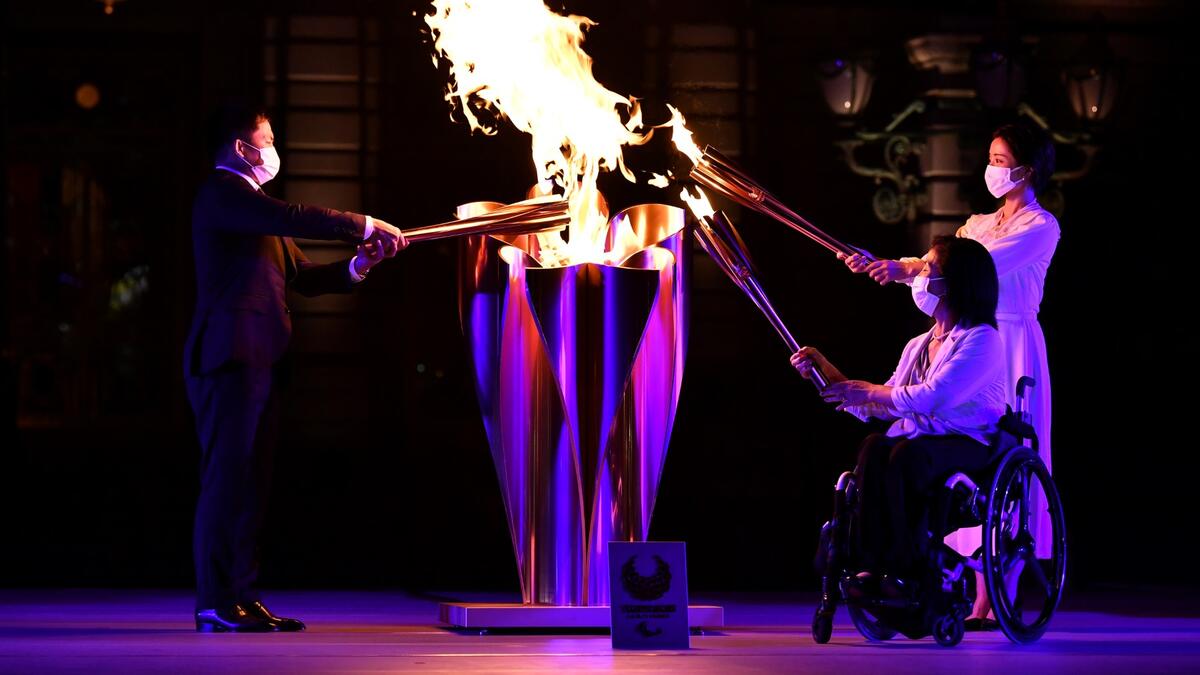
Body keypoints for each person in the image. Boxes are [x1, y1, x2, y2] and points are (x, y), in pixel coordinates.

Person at [184, 104, 407, 632]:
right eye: (267, 139)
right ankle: (216, 601)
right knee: (227, 480)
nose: (273, 149)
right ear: (241, 148)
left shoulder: (255, 209)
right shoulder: (224, 194)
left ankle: (243, 595)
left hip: (262, 360)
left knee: (253, 483)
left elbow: (302, 278)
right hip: (229, 357)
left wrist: (360, 264)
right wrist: (362, 224)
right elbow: (293, 216)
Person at [840, 123, 1058, 626]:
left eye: (1001, 161)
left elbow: (974, 268)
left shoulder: (1041, 226)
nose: (993, 168)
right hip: (967, 327)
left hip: (1009, 341)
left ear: (1027, 169)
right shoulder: (976, 223)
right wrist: (889, 266)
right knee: (923, 445)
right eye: (991, 158)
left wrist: (904, 269)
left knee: (1003, 459)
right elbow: (941, 266)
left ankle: (998, 593)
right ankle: (938, 578)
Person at [793, 236, 1006, 597]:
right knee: (875, 446)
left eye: (928, 269)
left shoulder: (983, 339)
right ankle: (869, 564)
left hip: (967, 442)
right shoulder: (918, 344)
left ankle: (904, 567)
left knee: (905, 453)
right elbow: (883, 402)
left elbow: (933, 397)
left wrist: (869, 391)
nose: (920, 276)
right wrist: (826, 373)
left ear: (955, 283)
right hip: (920, 441)